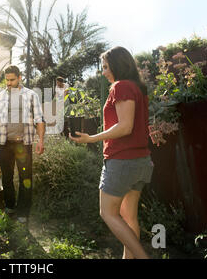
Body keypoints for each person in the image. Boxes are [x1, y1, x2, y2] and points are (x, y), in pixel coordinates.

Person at [69, 46, 153, 259]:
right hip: (140, 162)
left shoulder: (121, 86)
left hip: (122, 161)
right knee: (129, 218)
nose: (103, 72)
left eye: (106, 67)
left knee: (107, 213)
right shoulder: (137, 88)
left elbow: (125, 127)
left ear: (117, 65)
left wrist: (91, 138)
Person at [0, 65, 45, 224]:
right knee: (6, 178)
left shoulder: (31, 95)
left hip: (24, 144)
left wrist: (41, 140)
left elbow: (40, 120)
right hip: (5, 144)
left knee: (25, 178)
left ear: (20, 78)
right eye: (6, 80)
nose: (9, 83)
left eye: (12, 80)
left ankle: (23, 212)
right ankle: (10, 207)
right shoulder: (0, 97)